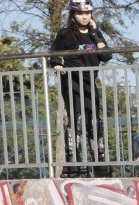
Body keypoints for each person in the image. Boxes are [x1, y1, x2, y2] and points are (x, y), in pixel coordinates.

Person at [49, 0, 113, 177]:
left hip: (89, 82)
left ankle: (100, 163)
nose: (84, 16)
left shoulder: (94, 34)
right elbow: (54, 54)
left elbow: (106, 56)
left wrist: (97, 33)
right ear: (73, 14)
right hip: (72, 81)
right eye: (80, 13)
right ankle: (74, 163)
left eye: (87, 13)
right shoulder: (65, 34)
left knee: (94, 122)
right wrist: (57, 65)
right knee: (76, 121)